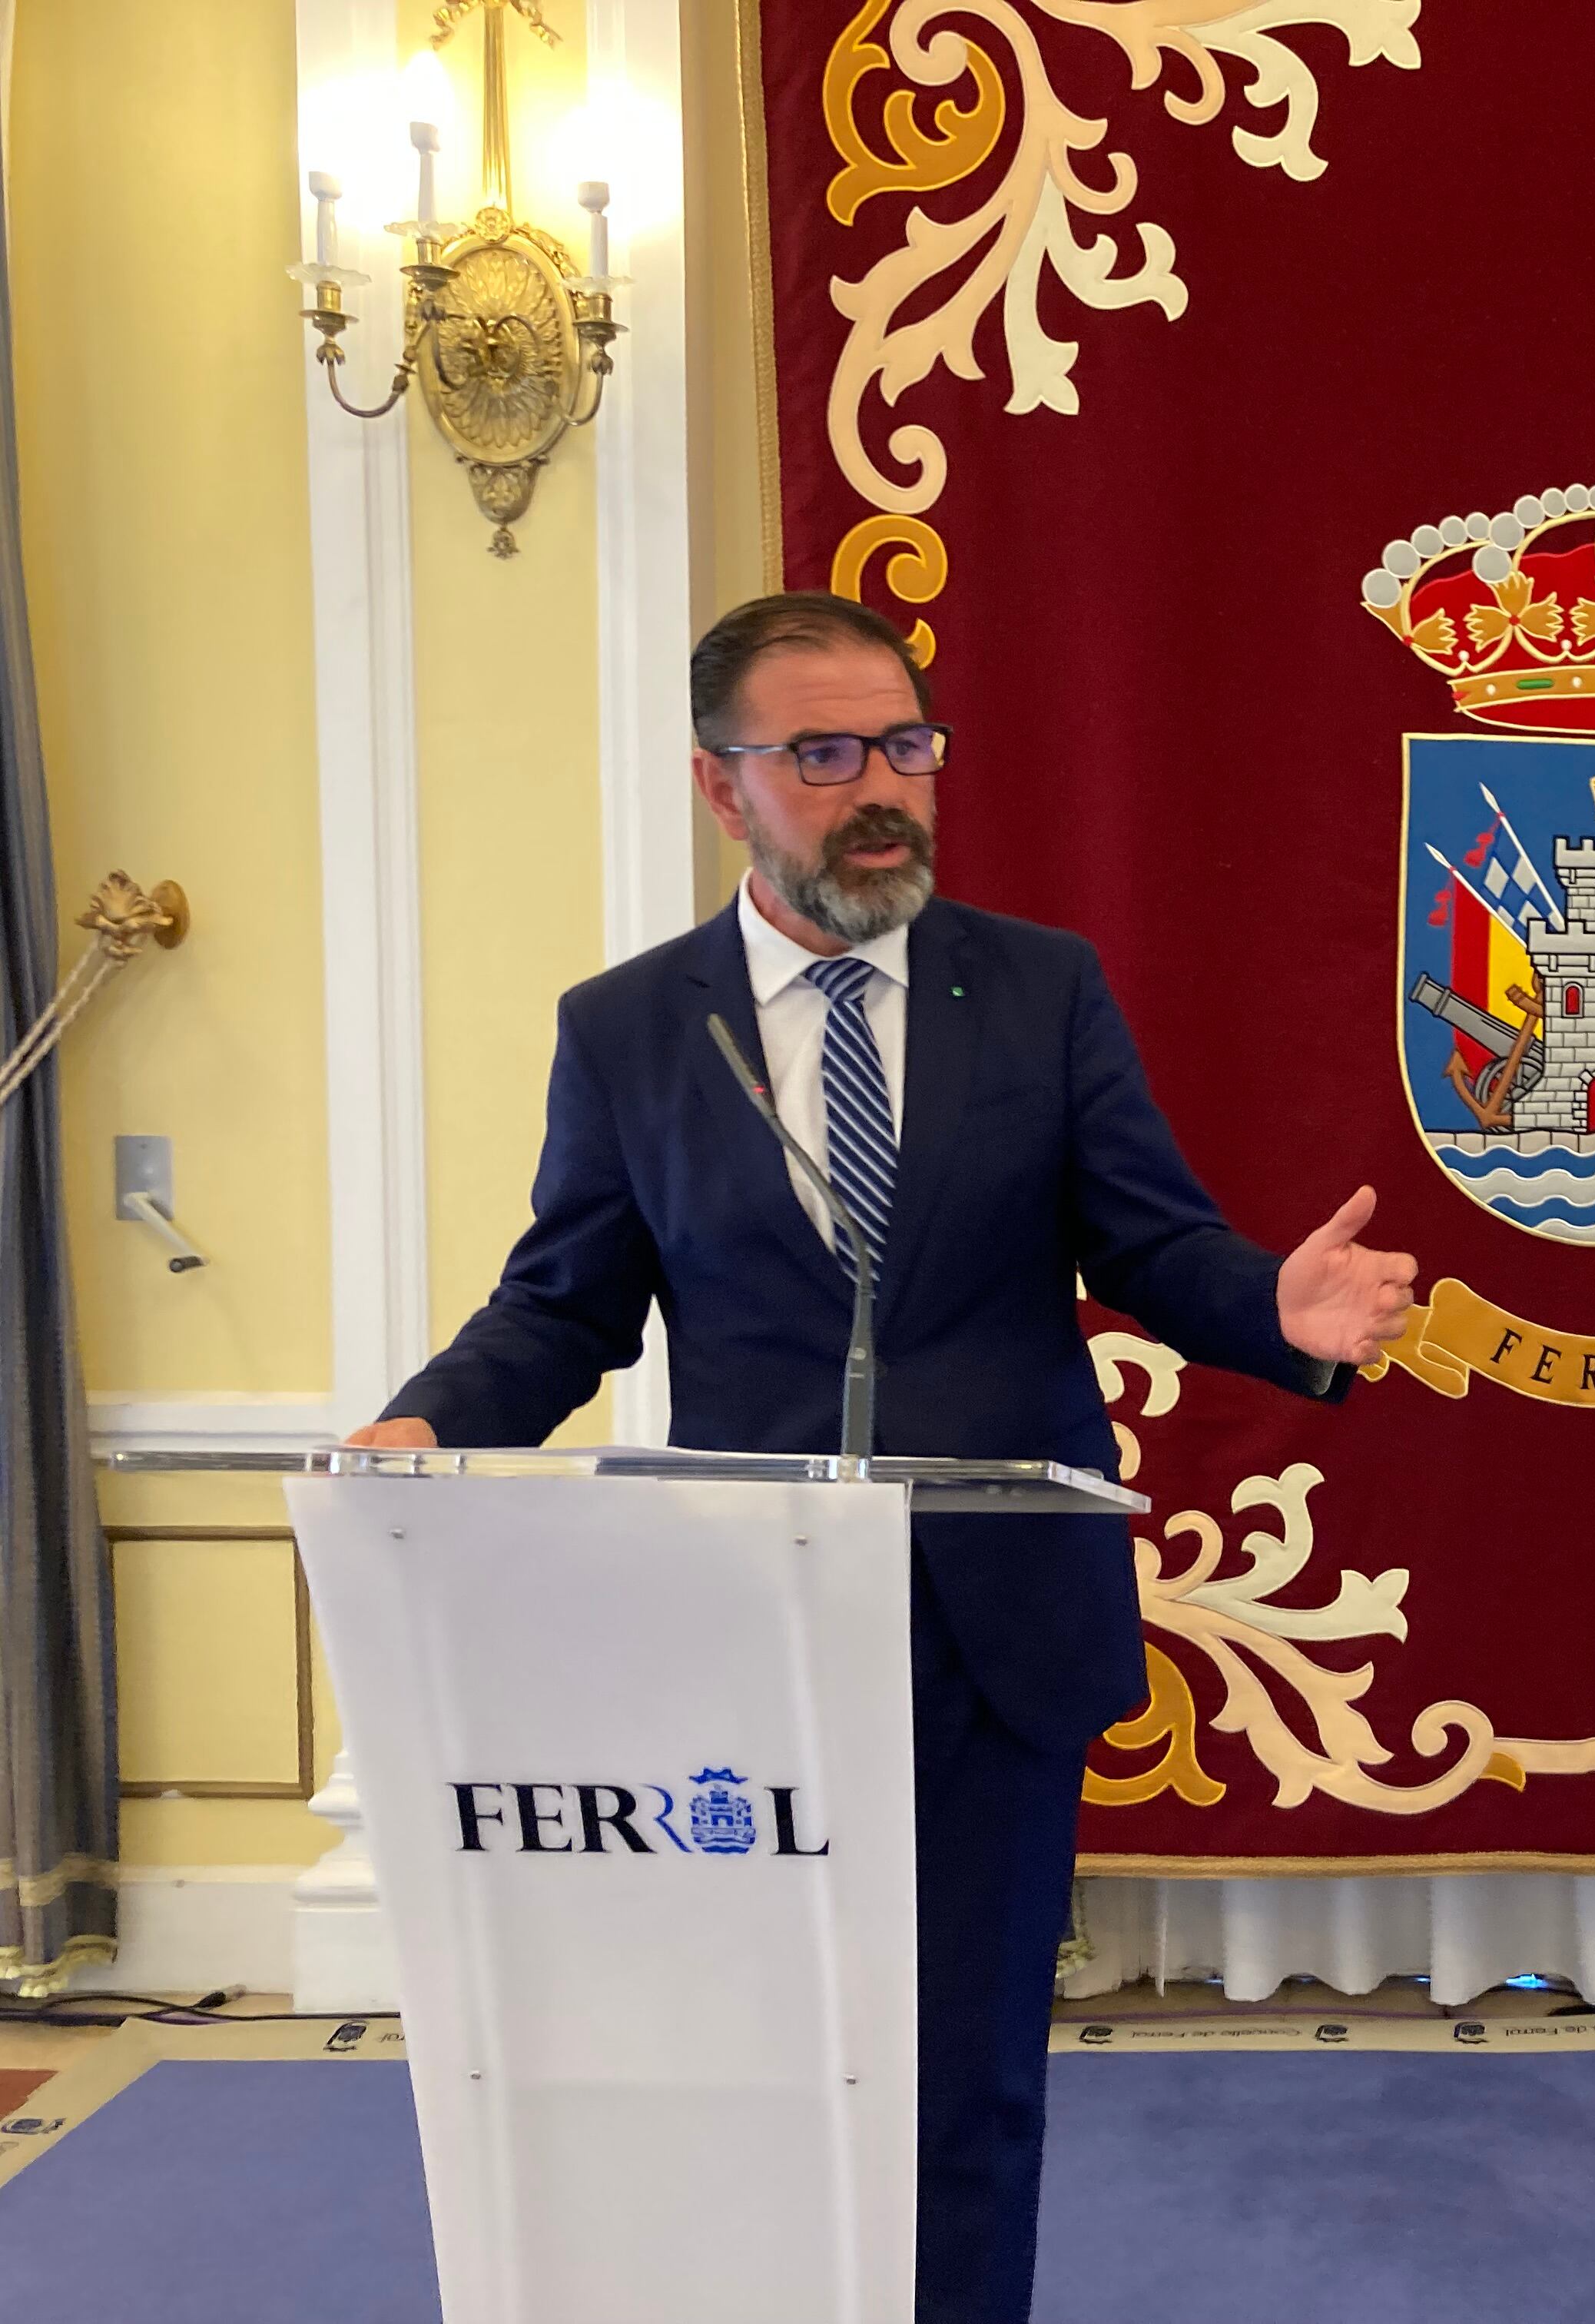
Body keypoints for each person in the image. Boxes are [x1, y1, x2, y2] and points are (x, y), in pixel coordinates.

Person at [345, 590, 1416, 2322]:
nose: (883, 789)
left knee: (967, 2070)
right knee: (758, 2058)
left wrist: (1278, 1308)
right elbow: (563, 1306)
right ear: (724, 788)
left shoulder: (1041, 988)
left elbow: (1150, 1247)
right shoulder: (632, 1027)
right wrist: (428, 1421)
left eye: (907, 746)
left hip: (988, 1624)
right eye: (825, 754)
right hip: (741, 1637)